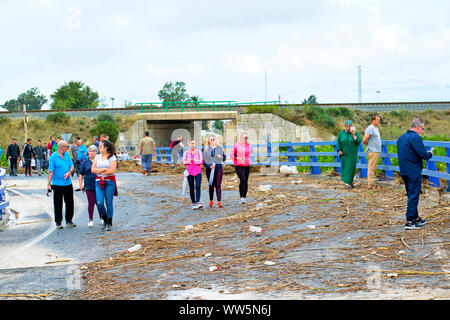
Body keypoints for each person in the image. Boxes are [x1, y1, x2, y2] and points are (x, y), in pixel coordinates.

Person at [397, 118, 433, 230]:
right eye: (422, 128)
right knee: (414, 195)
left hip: (403, 170)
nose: (422, 131)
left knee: (411, 194)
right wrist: (430, 153)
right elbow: (423, 154)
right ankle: (409, 221)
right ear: (418, 127)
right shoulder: (416, 137)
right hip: (413, 170)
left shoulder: (401, 138)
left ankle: (416, 218)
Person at [47, 140, 75, 229]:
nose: (67, 148)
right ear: (61, 147)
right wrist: (48, 184)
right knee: (58, 204)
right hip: (57, 184)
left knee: (70, 203)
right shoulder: (53, 157)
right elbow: (50, 172)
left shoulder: (67, 155)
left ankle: (69, 220)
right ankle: (58, 222)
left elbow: (72, 166)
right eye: (66, 147)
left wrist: (69, 173)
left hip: (68, 183)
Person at [91, 139, 118, 231]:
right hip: (99, 182)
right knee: (99, 203)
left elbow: (112, 170)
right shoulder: (97, 157)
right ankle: (105, 218)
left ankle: (109, 223)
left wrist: (99, 170)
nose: (99, 148)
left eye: (100, 146)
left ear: (106, 148)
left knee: (109, 203)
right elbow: (93, 170)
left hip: (109, 182)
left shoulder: (112, 157)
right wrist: (103, 170)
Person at [78, 145, 101, 227]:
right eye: (90, 151)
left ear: (97, 152)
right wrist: (81, 185)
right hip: (89, 185)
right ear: (88, 152)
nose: (92, 152)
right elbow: (80, 174)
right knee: (91, 203)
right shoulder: (85, 162)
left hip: (99, 185)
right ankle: (90, 219)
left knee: (99, 202)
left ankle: (102, 218)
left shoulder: (100, 161)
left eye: (94, 151)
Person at [336, 120, 362, 189]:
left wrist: (353, 135)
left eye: (349, 126)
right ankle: (348, 182)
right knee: (345, 168)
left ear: (351, 127)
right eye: (347, 126)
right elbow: (338, 141)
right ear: (345, 126)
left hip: (352, 154)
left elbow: (359, 141)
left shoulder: (355, 132)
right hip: (344, 154)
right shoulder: (341, 133)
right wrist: (339, 150)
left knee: (351, 168)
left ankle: (350, 182)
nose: (348, 128)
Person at [203, 134, 226, 208]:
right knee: (211, 185)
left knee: (218, 185)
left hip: (218, 168)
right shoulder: (206, 149)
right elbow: (203, 161)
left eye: (214, 139)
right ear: (209, 141)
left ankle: (219, 202)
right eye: (211, 140)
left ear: (216, 140)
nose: (212, 141)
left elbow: (224, 158)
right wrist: (209, 166)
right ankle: (211, 200)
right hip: (210, 169)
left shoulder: (220, 148)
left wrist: (221, 157)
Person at [230, 131, 252, 204]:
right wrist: (238, 158)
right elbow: (231, 155)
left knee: (246, 181)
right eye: (244, 137)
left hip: (247, 165)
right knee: (243, 179)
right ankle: (241, 197)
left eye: (246, 137)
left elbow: (248, 155)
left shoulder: (249, 145)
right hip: (238, 165)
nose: (245, 139)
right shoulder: (236, 145)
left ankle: (244, 197)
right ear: (241, 138)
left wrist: (249, 160)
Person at [182, 139, 203, 209]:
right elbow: (184, 162)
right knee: (191, 188)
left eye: (194, 143)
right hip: (189, 172)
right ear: (189, 145)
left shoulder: (198, 152)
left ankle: (198, 202)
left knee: (197, 186)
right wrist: (187, 162)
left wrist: (196, 161)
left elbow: (201, 161)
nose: (193, 145)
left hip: (197, 172)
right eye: (191, 143)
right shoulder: (186, 153)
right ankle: (193, 203)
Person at [363, 115, 382, 189]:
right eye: (377, 120)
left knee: (373, 168)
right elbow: (364, 140)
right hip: (372, 151)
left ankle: (371, 184)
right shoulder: (370, 128)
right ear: (373, 120)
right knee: (371, 168)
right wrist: (370, 146)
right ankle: (370, 185)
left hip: (376, 151)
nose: (379, 121)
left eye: (379, 120)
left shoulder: (375, 128)